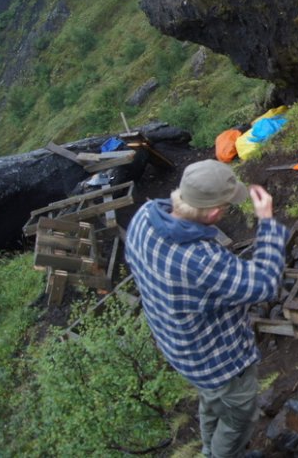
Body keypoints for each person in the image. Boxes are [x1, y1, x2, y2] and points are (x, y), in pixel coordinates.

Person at [124, 160, 289, 458]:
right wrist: (267, 222)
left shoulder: (144, 218)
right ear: (214, 213)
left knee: (212, 400)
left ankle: (208, 450)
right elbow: (264, 284)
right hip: (220, 362)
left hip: (180, 349)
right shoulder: (201, 259)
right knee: (239, 417)